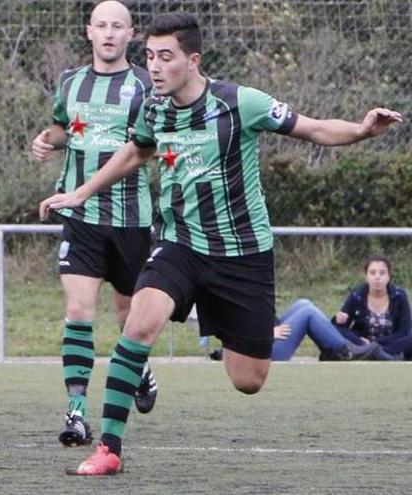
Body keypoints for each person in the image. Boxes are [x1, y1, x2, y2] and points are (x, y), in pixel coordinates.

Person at [39, 13, 402, 475]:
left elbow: (311, 128)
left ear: (193, 60)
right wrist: (82, 191)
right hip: (180, 246)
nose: (154, 66)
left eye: (166, 57)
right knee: (138, 324)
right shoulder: (154, 107)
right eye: (149, 56)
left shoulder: (239, 102)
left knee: (247, 379)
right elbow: (136, 151)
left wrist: (360, 130)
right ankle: (109, 449)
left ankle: (214, 315)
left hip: (243, 256)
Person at [30, 0, 158, 448]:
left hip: (130, 218)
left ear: (130, 35)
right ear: (89, 32)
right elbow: (65, 128)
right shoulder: (71, 82)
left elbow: (149, 145)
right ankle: (78, 412)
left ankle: (138, 365)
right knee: (79, 312)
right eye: (101, 25)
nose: (108, 33)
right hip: (79, 217)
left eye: (117, 26)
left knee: (129, 318)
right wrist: (48, 141)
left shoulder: (146, 84)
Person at [334, 255, 412, 360]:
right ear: (366, 276)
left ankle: (378, 354)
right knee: (334, 330)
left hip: (391, 345)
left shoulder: (400, 296)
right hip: (362, 345)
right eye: (372, 272)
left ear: (389, 276)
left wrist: (375, 344)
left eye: (382, 273)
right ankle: (374, 354)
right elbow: (341, 328)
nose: (377, 277)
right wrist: (340, 321)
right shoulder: (356, 295)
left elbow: (404, 331)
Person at [271, 299, 379, 361]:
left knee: (303, 303)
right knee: (308, 313)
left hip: (266, 338)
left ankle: (330, 352)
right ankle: (345, 352)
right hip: (262, 357)